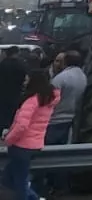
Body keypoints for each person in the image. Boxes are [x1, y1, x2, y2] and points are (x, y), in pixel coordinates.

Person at [3, 69, 59, 200]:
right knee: (8, 178)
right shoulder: (48, 100)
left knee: (19, 183)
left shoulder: (31, 101)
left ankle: (34, 197)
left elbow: (22, 125)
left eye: (27, 79)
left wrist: (8, 139)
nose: (25, 81)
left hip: (21, 146)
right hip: (35, 144)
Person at [39, 50, 85, 194]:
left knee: (45, 156)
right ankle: (60, 186)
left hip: (54, 120)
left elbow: (48, 100)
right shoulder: (82, 76)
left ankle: (43, 188)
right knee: (60, 155)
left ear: (66, 61)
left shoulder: (61, 78)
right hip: (68, 119)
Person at [0, 47, 25, 131]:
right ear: (16, 53)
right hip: (15, 94)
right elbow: (23, 79)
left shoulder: (2, 64)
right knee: (11, 115)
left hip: (2, 93)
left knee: (2, 113)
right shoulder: (21, 65)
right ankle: (8, 131)